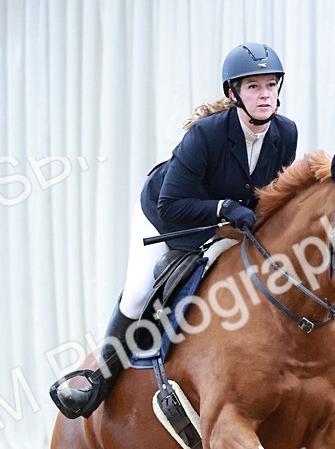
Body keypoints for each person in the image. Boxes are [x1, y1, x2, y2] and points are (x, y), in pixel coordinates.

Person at [52, 43, 298, 419]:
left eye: (270, 85)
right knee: (137, 294)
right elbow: (170, 204)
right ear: (234, 94)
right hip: (168, 218)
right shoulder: (205, 135)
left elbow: (274, 194)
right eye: (253, 87)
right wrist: (221, 208)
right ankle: (96, 385)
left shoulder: (286, 133)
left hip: (225, 222)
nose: (264, 95)